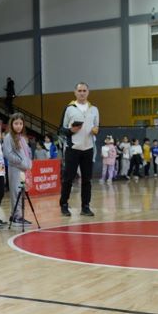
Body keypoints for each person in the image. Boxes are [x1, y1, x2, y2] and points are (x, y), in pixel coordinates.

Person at [59, 82, 99, 217]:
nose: (82, 93)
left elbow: (97, 127)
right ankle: (64, 205)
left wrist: (95, 130)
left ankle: (85, 206)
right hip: (73, 149)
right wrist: (71, 130)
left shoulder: (94, 110)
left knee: (87, 180)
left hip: (88, 149)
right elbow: (61, 129)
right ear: (75, 92)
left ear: (88, 92)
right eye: (80, 90)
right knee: (68, 178)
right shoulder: (69, 109)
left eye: (84, 90)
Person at [3, 113, 33, 227]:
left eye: (20, 123)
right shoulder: (8, 137)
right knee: (16, 192)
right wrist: (21, 162)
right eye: (16, 123)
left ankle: (17, 215)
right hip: (15, 169)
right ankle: (17, 217)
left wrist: (28, 163)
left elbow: (28, 153)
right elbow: (8, 154)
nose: (18, 126)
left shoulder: (22, 138)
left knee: (21, 192)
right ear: (11, 124)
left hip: (23, 169)